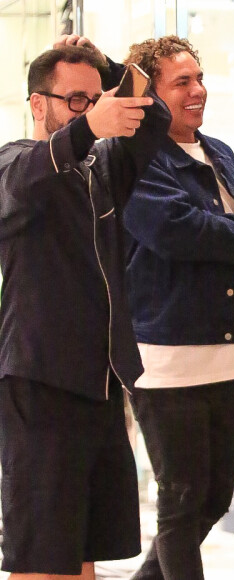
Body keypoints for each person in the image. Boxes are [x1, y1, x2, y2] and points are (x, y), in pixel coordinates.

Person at [120, 36, 234, 580]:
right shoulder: (134, 155)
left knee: (215, 497)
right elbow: (175, 231)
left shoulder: (219, 150)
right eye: (181, 82)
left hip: (228, 343)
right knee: (182, 498)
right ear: (150, 94)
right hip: (168, 351)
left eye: (199, 79)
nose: (197, 91)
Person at [0, 35, 171, 579]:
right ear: (37, 103)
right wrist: (89, 126)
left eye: (95, 98)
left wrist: (113, 67)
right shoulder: (16, 162)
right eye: (76, 99)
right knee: (40, 550)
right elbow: (27, 181)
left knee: (81, 550)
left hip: (100, 385)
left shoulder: (101, 169)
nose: (89, 109)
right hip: (39, 383)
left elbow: (157, 120)